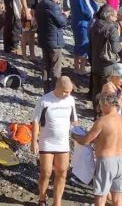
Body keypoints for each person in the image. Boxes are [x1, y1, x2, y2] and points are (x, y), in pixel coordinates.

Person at [73, 93, 122, 206]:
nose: (99, 108)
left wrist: (74, 136)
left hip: (106, 161)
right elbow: (109, 137)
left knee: (101, 196)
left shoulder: (102, 121)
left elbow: (86, 140)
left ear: (106, 104)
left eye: (100, 105)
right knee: (118, 198)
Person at [32, 76, 78, 206]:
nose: (68, 94)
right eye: (65, 91)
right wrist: (34, 141)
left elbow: (74, 120)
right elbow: (35, 121)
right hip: (46, 141)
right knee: (45, 172)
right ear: (57, 88)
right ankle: (42, 197)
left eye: (70, 91)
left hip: (63, 142)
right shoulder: (44, 100)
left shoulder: (70, 100)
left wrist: (78, 136)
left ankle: (57, 202)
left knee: (62, 172)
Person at [89, 5, 122, 108]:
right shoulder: (112, 29)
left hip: (95, 62)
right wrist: (121, 45)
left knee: (96, 88)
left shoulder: (94, 25)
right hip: (107, 64)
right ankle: (104, 110)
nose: (116, 18)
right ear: (109, 16)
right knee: (106, 89)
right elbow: (115, 48)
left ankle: (96, 110)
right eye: (115, 16)